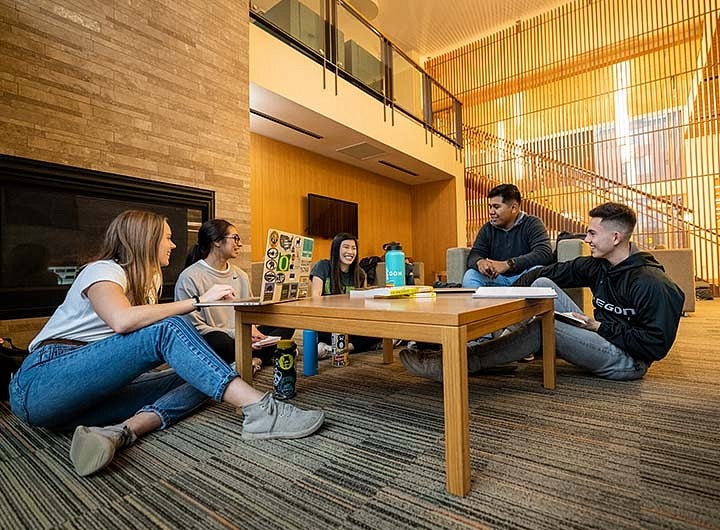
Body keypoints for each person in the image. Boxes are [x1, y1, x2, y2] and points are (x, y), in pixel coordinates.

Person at [8, 210, 324, 477]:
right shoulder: (103, 270)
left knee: (206, 372)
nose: (174, 244)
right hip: (41, 383)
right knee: (169, 328)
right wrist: (197, 302)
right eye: (167, 237)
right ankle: (259, 409)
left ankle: (121, 432)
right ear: (145, 240)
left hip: (87, 399)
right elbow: (122, 320)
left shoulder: (146, 285)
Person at [401, 202, 685, 382]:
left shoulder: (652, 283)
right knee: (540, 286)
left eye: (591, 234)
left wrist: (598, 325)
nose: (586, 240)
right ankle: (499, 346)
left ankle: (460, 363)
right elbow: (546, 273)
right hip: (601, 333)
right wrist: (511, 290)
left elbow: (655, 346)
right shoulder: (597, 265)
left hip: (628, 361)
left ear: (615, 237)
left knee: (543, 328)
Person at [174, 219, 294, 374]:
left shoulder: (241, 275)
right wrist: (238, 334)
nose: (240, 244)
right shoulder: (189, 277)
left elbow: (251, 313)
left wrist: (252, 329)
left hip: (244, 333)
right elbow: (193, 328)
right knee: (217, 340)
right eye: (235, 238)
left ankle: (253, 360)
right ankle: (261, 356)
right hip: (219, 338)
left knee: (286, 322)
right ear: (217, 241)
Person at [462, 183, 553, 288]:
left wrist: (509, 264)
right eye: (490, 207)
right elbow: (474, 254)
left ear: (514, 208)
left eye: (496, 207)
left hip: (525, 277)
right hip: (497, 277)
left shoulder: (533, 223)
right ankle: (489, 305)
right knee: (471, 276)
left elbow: (544, 254)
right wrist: (480, 262)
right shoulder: (487, 229)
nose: (491, 212)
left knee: (538, 271)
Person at [310, 232, 379, 357]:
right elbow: (315, 299)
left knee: (379, 331)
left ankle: (339, 349)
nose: (350, 252)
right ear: (336, 249)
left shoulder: (361, 274)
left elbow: (364, 305)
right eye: (346, 247)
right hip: (327, 323)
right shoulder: (322, 266)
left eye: (354, 248)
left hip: (351, 323)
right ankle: (342, 347)